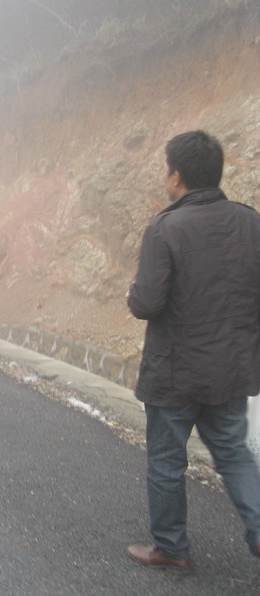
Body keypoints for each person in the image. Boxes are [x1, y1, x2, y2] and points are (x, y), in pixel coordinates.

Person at [126, 130, 260, 573]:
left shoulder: (164, 228)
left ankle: (171, 548)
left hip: (175, 373)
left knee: (166, 460)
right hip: (231, 369)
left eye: (166, 169)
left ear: (177, 176)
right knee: (234, 453)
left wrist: (131, 294)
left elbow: (147, 303)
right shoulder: (250, 223)